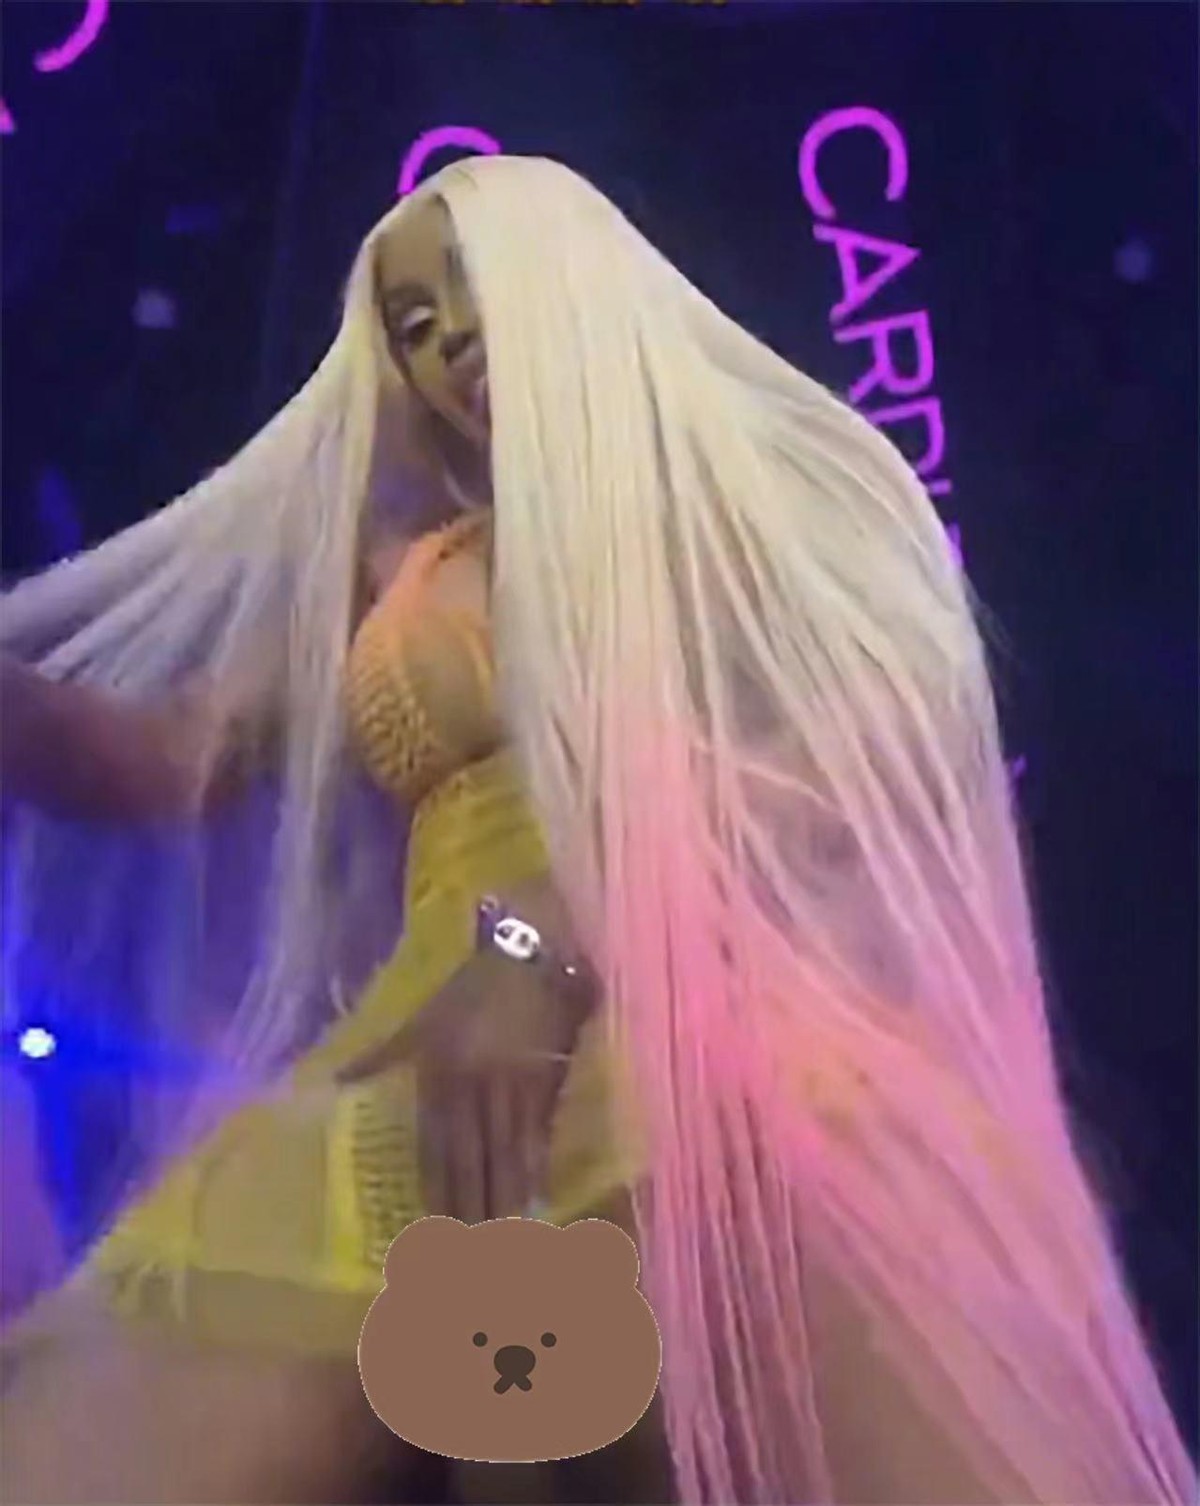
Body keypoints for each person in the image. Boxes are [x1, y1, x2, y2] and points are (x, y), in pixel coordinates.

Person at [0, 155, 1192, 1505]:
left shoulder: (733, 505)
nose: (448, 338)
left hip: (707, 1034)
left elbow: (863, 750)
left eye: (477, 288)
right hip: (436, 1063)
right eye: (411, 322)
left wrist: (548, 933)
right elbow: (169, 761)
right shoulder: (392, 579)